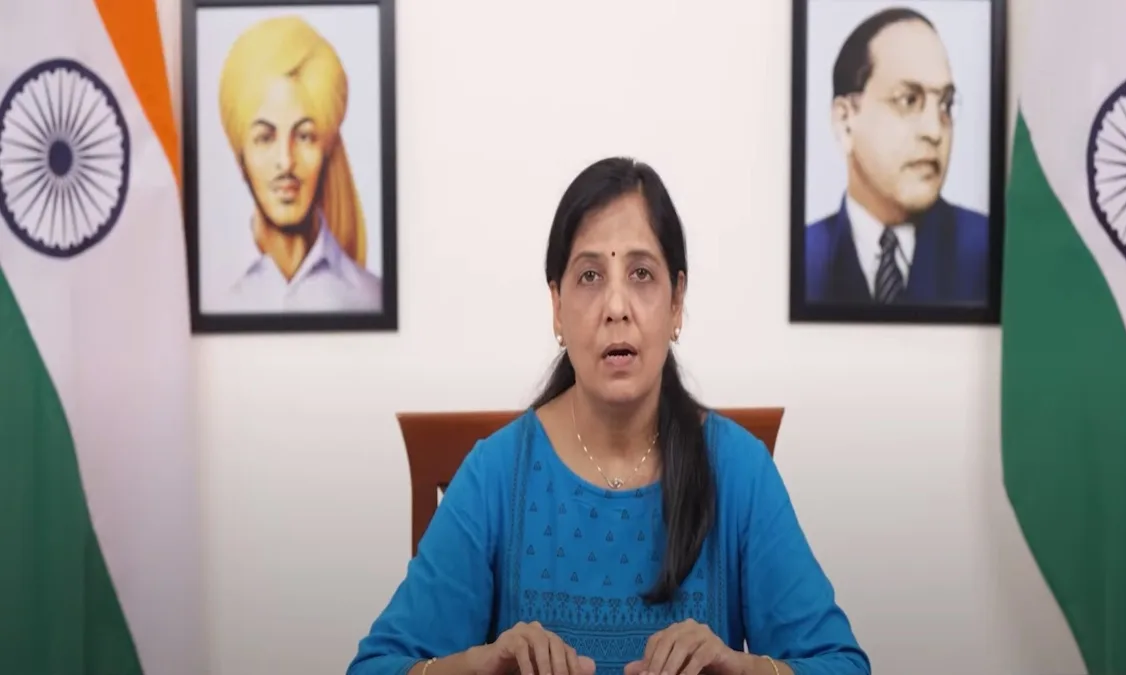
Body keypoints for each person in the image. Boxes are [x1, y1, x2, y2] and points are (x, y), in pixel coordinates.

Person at [347, 158, 870, 675]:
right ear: (557, 307)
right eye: (590, 276)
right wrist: (476, 666)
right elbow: (374, 666)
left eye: (641, 274)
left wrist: (742, 669)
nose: (616, 306)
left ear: (676, 303)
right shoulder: (495, 476)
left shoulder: (739, 471)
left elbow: (842, 664)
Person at [798, 7, 989, 307]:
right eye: (908, 100)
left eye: (946, 104)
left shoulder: (987, 250)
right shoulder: (805, 258)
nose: (934, 131)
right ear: (845, 121)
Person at [211, 15, 382, 313]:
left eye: (304, 136)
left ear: (326, 148)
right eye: (265, 138)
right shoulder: (213, 296)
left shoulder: (371, 297)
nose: (286, 161)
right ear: (241, 155)